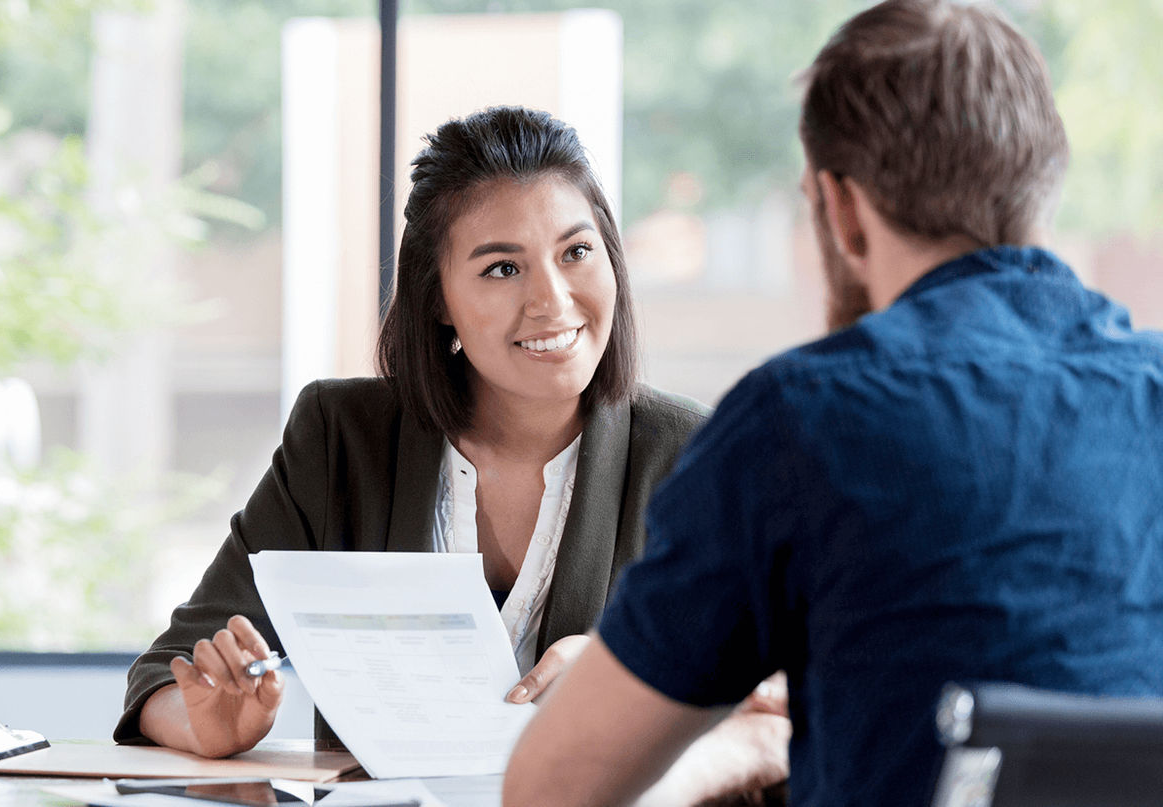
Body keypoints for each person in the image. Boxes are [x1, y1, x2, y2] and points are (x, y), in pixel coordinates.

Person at [504, 2, 1163, 806]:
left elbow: (552, 789)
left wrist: (748, 741)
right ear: (1045, 180)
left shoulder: (802, 421)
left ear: (840, 208)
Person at [115, 106, 777, 796]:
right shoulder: (340, 437)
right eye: (501, 268)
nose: (552, 301)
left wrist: (629, 678)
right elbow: (165, 671)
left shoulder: (698, 455)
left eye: (576, 252)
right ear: (439, 299)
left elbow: (781, 697)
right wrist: (204, 724)